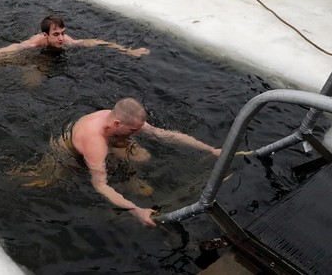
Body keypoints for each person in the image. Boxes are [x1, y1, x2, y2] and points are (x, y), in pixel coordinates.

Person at [63, 97, 220, 227]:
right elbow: (100, 185)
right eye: (133, 131)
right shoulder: (95, 141)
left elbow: (163, 134)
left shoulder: (120, 120)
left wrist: (210, 149)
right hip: (69, 150)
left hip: (108, 139)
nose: (138, 133)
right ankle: (127, 183)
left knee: (143, 157)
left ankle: (130, 179)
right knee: (49, 179)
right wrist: (136, 210)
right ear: (117, 123)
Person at [0, 15, 149, 81]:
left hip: (48, 58)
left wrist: (127, 50)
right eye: (56, 34)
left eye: (63, 32)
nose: (62, 38)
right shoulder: (33, 43)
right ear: (46, 35)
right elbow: (1, 51)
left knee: (33, 84)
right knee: (3, 61)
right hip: (34, 55)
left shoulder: (67, 40)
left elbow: (94, 42)